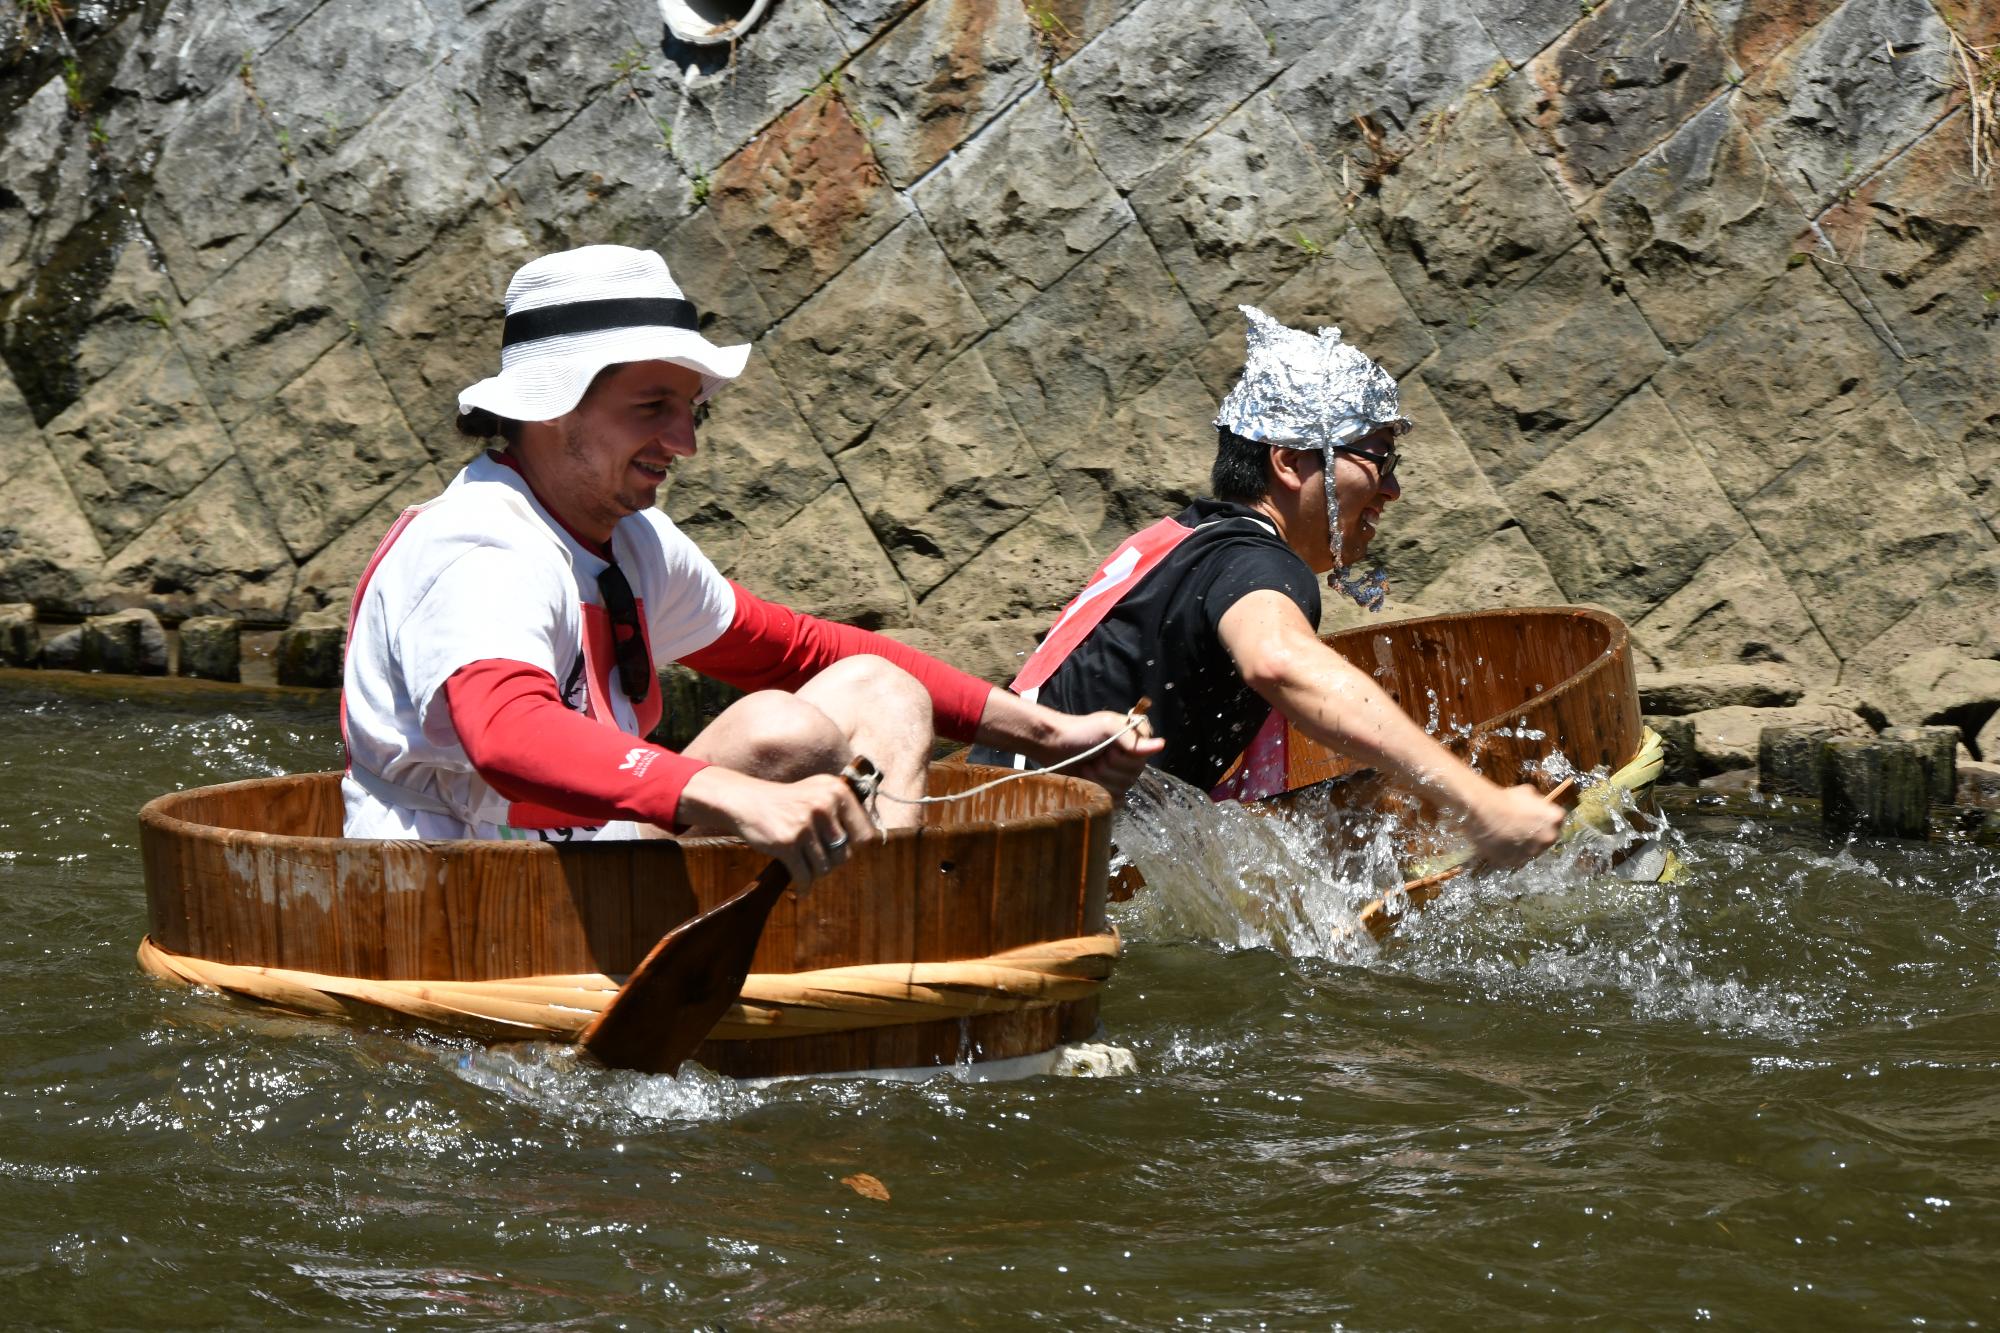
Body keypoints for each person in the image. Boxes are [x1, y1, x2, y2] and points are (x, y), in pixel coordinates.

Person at [339, 244, 1161, 884]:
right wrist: (737, 798)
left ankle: (883, 929)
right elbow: (507, 734)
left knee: (881, 685)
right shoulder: (480, 543)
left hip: (599, 859)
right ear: (552, 408)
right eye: (652, 408)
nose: (686, 442)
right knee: (785, 729)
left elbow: (803, 649)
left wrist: (1048, 730)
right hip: (455, 890)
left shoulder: (632, 540)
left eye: (690, 412)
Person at [971, 306, 1562, 868]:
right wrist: (1480, 806)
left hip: (984, 818)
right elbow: (1279, 663)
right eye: (1378, 457)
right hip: (1022, 857)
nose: (1392, 489)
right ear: (1287, 462)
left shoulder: (1186, 536)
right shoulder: (1253, 559)